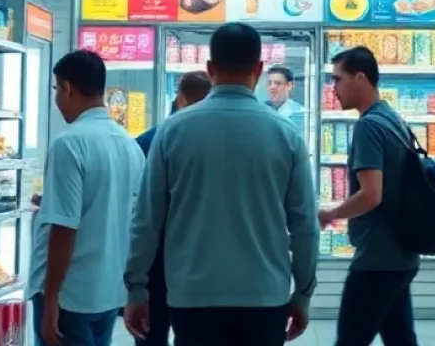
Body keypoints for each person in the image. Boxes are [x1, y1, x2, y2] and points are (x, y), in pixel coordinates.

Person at [124, 23, 318, 346]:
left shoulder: (172, 131)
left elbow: (146, 219)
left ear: (210, 68)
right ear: (258, 69)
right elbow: (305, 226)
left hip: (192, 296)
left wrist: (137, 287)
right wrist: (303, 293)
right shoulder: (287, 136)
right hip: (264, 296)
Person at [28, 49, 145, 346]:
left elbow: (65, 227)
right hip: (108, 290)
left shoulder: (70, 143)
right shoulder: (128, 144)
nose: (56, 99)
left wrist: (51, 298)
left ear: (67, 87)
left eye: (57, 89)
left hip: (71, 295)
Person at [319, 45, 420, 346]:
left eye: (337, 79)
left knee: (350, 339)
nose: (333, 88)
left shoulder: (368, 127)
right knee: (400, 337)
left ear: (360, 77)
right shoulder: (393, 119)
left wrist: (330, 214)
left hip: (377, 257)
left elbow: (371, 195)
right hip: (401, 252)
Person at [132, 71, 212, 346]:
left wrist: (134, 280)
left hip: (157, 259)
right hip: (193, 260)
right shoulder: (208, 147)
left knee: (151, 334)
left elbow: (140, 214)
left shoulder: (147, 141)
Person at [265, 64, 306, 137]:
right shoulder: (262, 110)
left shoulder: (300, 113)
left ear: (289, 86)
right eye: (269, 83)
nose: (272, 87)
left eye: (277, 83)